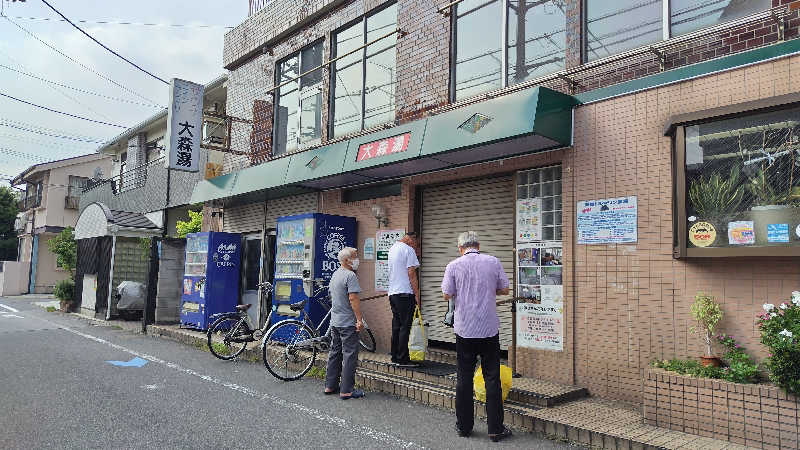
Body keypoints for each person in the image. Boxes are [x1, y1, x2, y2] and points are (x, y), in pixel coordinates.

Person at [441, 231, 512, 443]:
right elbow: (505, 289)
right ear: (478, 245)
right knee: (492, 377)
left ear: (460, 248)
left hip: (464, 330)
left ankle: (464, 427)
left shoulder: (453, 265)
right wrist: (488, 290)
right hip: (489, 329)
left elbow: (446, 294)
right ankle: (495, 429)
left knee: (463, 377)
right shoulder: (493, 261)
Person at [324, 247, 365, 400]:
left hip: (335, 321)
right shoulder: (350, 275)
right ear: (347, 260)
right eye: (355, 256)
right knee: (349, 355)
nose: (357, 259)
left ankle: (330, 385)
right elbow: (353, 298)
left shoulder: (335, 274)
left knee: (335, 352)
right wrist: (359, 319)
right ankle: (346, 390)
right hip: (347, 322)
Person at [387, 231, 421, 366]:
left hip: (393, 293)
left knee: (397, 325)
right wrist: (417, 294)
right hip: (405, 293)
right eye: (415, 243)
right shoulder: (408, 250)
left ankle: (395, 356)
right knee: (405, 326)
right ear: (411, 240)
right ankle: (403, 358)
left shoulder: (392, 249)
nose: (415, 246)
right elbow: (411, 273)